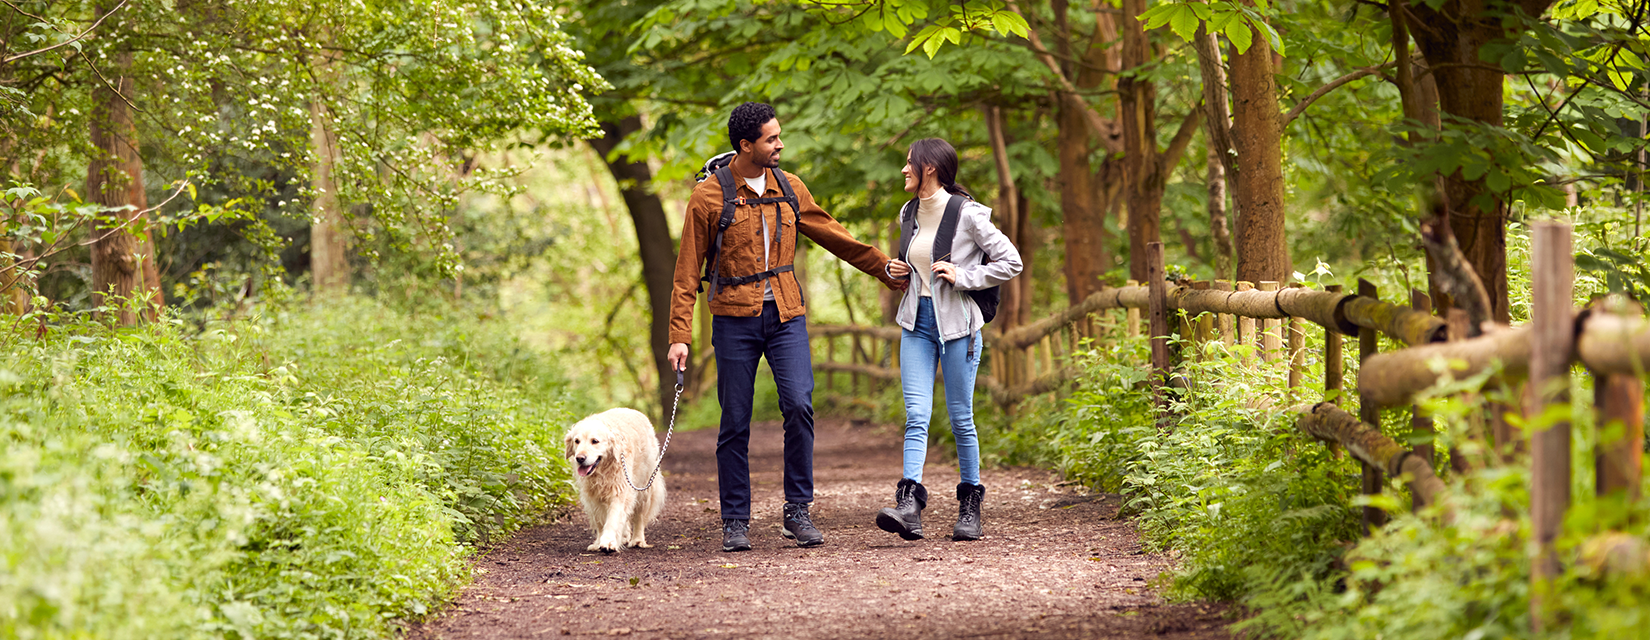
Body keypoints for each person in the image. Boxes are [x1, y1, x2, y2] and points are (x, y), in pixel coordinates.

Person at [667, 102, 907, 552]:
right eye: (771, 139)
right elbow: (685, 272)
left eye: (779, 136)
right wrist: (680, 335)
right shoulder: (709, 197)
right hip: (733, 318)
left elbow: (835, 235)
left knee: (799, 405)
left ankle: (797, 510)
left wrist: (883, 269)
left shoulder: (791, 188)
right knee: (735, 420)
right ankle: (734, 520)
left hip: (786, 314)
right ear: (746, 145)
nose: (780, 145)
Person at [877, 138, 1022, 542]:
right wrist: (898, 270)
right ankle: (909, 505)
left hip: (959, 326)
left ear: (930, 168)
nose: (904, 170)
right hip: (916, 324)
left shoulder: (968, 214)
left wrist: (966, 276)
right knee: (916, 416)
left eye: (909, 164)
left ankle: (970, 506)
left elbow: (1012, 261)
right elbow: (918, 267)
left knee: (961, 419)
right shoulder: (909, 212)